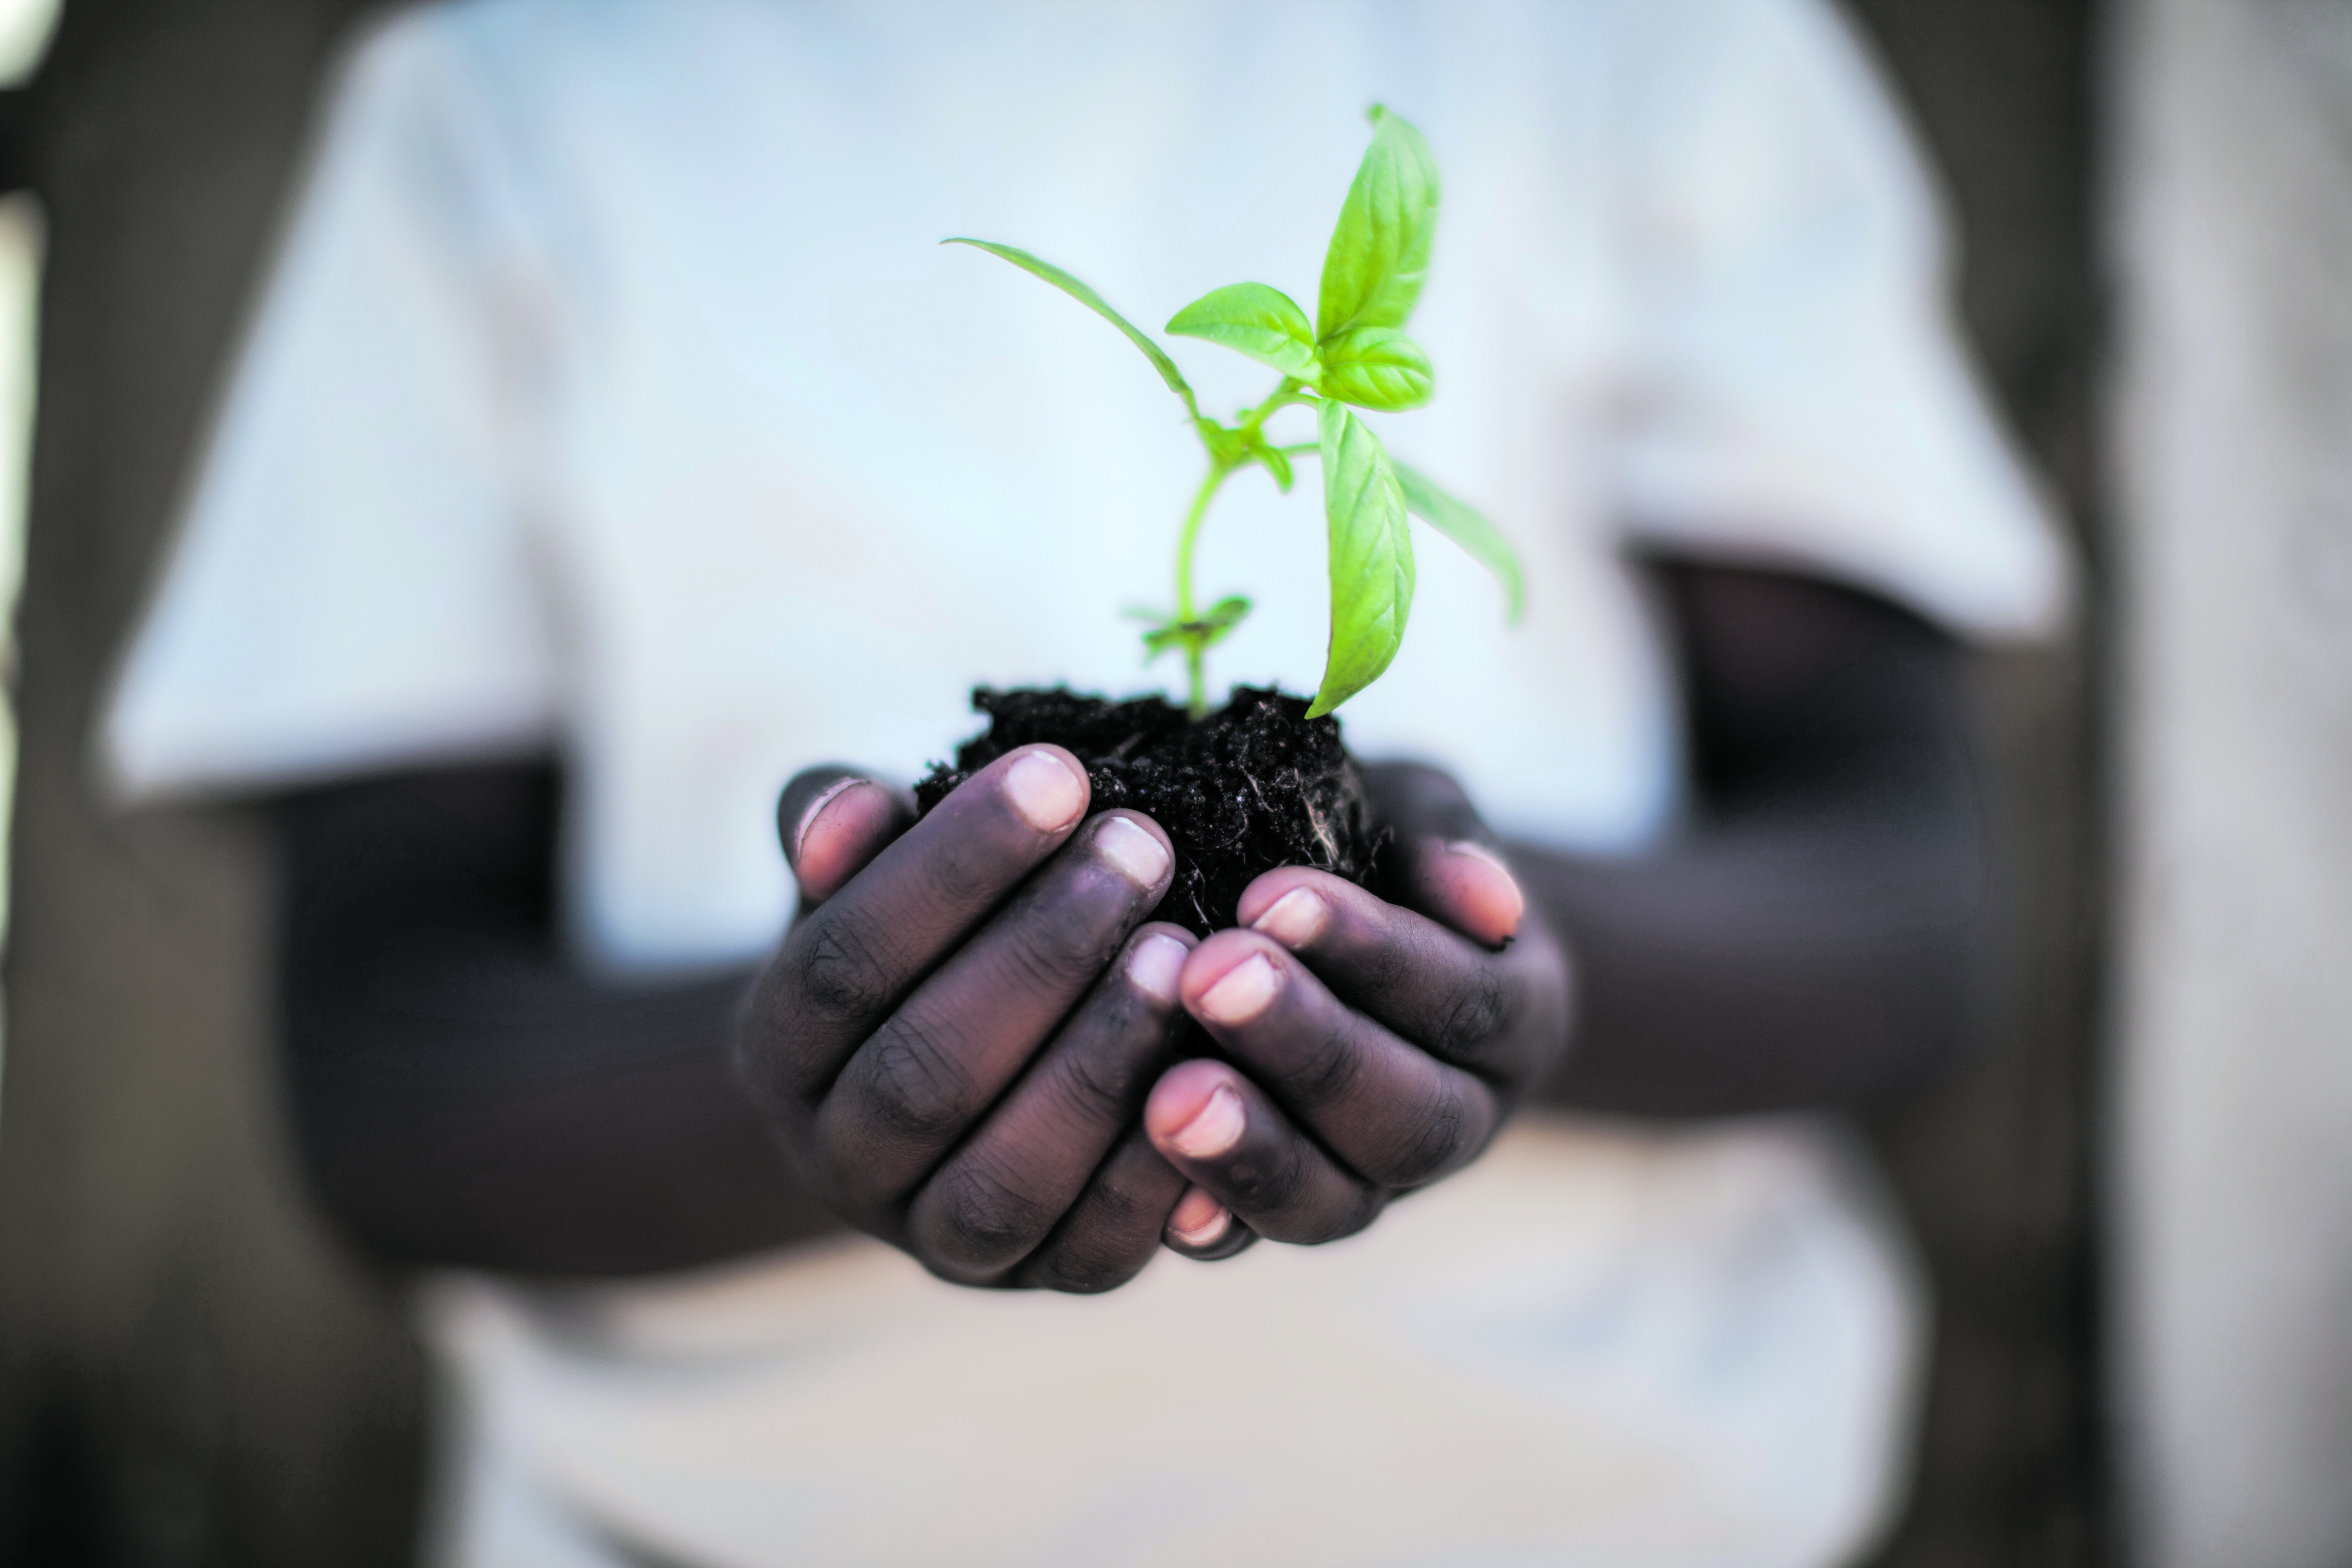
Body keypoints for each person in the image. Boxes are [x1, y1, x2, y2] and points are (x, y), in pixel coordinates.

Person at [100, 0, 2070, 1563]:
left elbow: (1904, 898)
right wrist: (820, 1062)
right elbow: (387, 1071)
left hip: (1618, 1511)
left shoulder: (1643, 35)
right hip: (715, 1529)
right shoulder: (503, 93)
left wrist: (1473, 955)